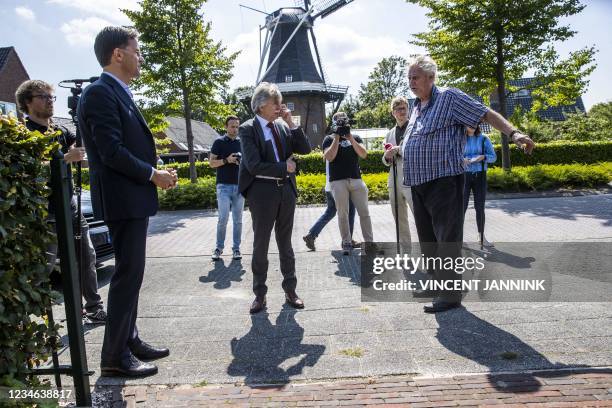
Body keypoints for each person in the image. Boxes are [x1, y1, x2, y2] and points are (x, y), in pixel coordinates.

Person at [78, 26, 178, 377]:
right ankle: (113, 358)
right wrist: (153, 174)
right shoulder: (98, 94)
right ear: (117, 54)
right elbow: (112, 152)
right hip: (123, 200)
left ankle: (129, 339)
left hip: (130, 198)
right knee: (127, 275)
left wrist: (154, 170)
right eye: (136, 50)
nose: (141, 57)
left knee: (131, 275)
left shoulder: (116, 92)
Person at [402, 55, 535, 313]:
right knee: (429, 241)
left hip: (444, 181)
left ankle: (451, 296)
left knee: (447, 240)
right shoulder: (417, 106)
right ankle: (441, 286)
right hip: (418, 183)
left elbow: (485, 113)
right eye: (409, 78)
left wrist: (514, 133)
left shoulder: (449, 98)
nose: (411, 82)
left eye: (415, 77)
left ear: (431, 77)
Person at [16, 79, 107, 324]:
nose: (49, 101)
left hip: (72, 208)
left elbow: (81, 157)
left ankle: (93, 307)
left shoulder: (61, 130)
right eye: (42, 96)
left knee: (87, 258)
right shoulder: (23, 135)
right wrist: (66, 159)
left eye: (51, 97)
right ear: (27, 102)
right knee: (42, 268)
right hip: (44, 213)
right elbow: (28, 170)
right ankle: (25, 321)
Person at [238, 82, 312, 314]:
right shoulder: (248, 129)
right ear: (261, 105)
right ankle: (260, 294)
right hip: (262, 192)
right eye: (276, 102)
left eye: (280, 102)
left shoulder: (281, 126)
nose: (280, 106)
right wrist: (284, 167)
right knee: (261, 244)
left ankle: (291, 290)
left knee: (286, 243)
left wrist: (291, 124)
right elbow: (253, 165)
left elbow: (306, 149)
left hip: (286, 192)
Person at [322, 112, 374, 256]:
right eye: (338, 121)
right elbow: (329, 157)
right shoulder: (328, 139)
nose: (341, 123)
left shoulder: (355, 137)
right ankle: (346, 242)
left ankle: (369, 243)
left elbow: (363, 154)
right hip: (338, 181)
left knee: (364, 212)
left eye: (343, 120)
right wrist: (337, 136)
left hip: (356, 179)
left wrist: (350, 137)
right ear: (333, 122)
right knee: (342, 214)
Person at [302, 160, 359, 251]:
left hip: (330, 186)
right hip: (340, 186)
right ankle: (347, 241)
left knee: (330, 212)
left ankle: (311, 235)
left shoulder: (329, 147)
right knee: (350, 211)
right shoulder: (338, 146)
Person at [209, 115, 244, 261]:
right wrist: (226, 160)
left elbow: (249, 163)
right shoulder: (218, 142)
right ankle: (219, 248)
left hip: (239, 186)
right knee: (223, 218)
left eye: (237, 126)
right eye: (232, 126)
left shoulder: (242, 142)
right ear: (226, 127)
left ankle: (236, 249)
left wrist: (240, 162)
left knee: (238, 220)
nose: (235, 129)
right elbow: (211, 163)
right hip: (223, 186)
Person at [382, 96, 414, 250]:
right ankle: (406, 250)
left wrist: (398, 150)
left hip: (412, 178)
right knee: (399, 218)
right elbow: (385, 158)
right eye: (398, 109)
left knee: (420, 217)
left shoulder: (414, 128)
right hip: (394, 179)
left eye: (404, 108)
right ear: (393, 112)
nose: (402, 111)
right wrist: (387, 156)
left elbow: (416, 150)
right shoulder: (389, 133)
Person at [463, 125, 496, 247]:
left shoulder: (483, 139)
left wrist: (484, 157)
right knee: (462, 208)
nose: (470, 126)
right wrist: (462, 160)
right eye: (468, 123)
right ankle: (459, 237)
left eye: (473, 123)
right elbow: (452, 156)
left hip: (480, 176)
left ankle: (481, 237)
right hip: (463, 176)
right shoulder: (459, 139)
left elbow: (493, 157)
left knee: (480, 207)